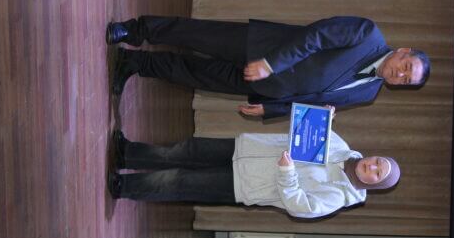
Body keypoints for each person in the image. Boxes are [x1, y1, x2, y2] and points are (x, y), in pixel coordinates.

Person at [106, 15, 431, 119]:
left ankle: (135, 63)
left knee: (194, 74)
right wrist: (269, 63)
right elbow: (315, 36)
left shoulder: (367, 93)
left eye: (406, 79)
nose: (400, 74)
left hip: (266, 87)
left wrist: (271, 109)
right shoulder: (368, 34)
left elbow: (316, 103)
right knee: (195, 35)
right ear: (403, 51)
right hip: (263, 48)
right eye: (406, 66)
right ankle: (134, 30)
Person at [107, 126, 400, 219]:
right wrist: (317, 119)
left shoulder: (339, 196)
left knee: (179, 181)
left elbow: (300, 207)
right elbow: (300, 133)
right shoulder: (340, 145)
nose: (372, 167)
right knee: (185, 150)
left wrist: (287, 173)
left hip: (244, 184)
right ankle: (129, 152)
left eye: (377, 174)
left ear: (373, 185)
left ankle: (125, 186)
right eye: (377, 162)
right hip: (245, 149)